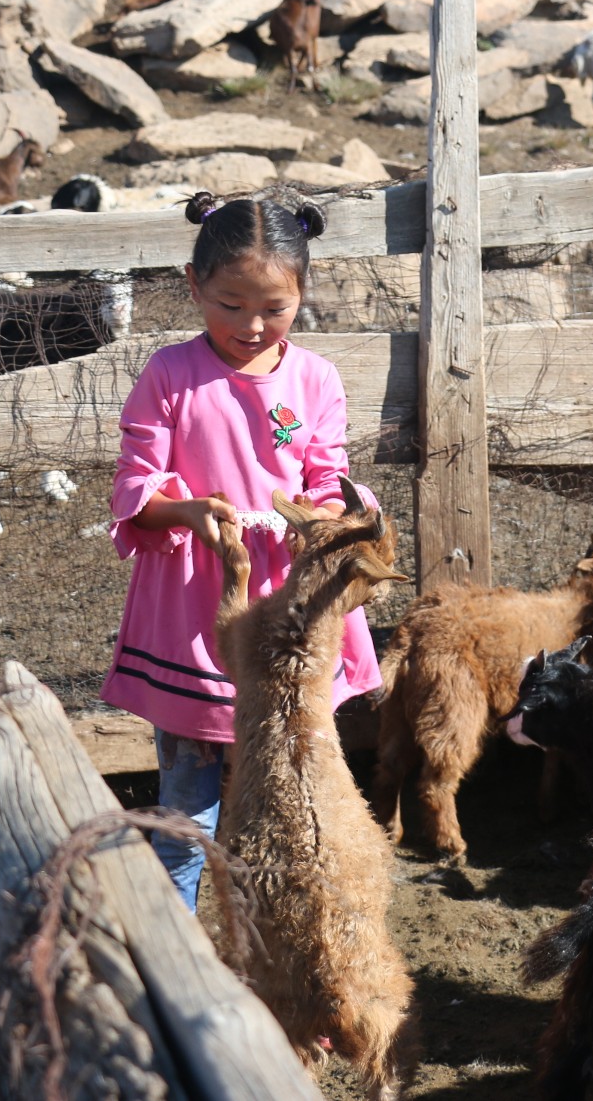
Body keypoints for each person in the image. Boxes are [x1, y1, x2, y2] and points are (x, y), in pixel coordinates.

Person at [101, 191, 382, 911]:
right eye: (230, 304)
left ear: (302, 294)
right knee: (188, 799)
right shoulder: (170, 374)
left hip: (287, 612)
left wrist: (325, 514)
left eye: (274, 308)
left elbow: (328, 472)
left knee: (291, 794)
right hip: (198, 608)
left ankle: (285, 951)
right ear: (193, 285)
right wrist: (186, 509)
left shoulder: (315, 379)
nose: (252, 327)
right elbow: (135, 486)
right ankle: (176, 943)